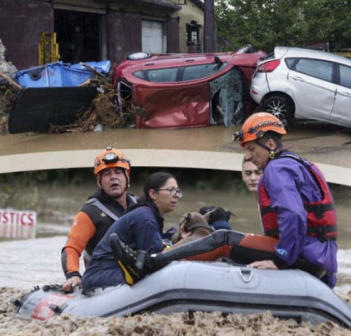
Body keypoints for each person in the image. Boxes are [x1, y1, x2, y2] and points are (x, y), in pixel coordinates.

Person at [109, 112, 338, 287]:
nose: (248, 156)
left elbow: (293, 214)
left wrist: (280, 260)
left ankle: (148, 264)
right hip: (319, 257)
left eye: (251, 149)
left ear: (269, 144)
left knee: (223, 238)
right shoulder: (299, 164)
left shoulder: (276, 169)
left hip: (303, 255)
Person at [81, 171, 179, 291]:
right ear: (153, 194)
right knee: (151, 276)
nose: (176, 195)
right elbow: (157, 259)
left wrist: (178, 237)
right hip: (101, 275)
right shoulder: (145, 218)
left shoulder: (151, 215)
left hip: (112, 272)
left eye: (177, 191)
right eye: (171, 190)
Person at [60, 146, 135, 292]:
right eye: (106, 174)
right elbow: (71, 249)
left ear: (127, 176)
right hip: (104, 277)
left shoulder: (140, 205)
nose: (113, 177)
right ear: (99, 181)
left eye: (118, 172)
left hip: (136, 269)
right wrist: (73, 275)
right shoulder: (90, 213)